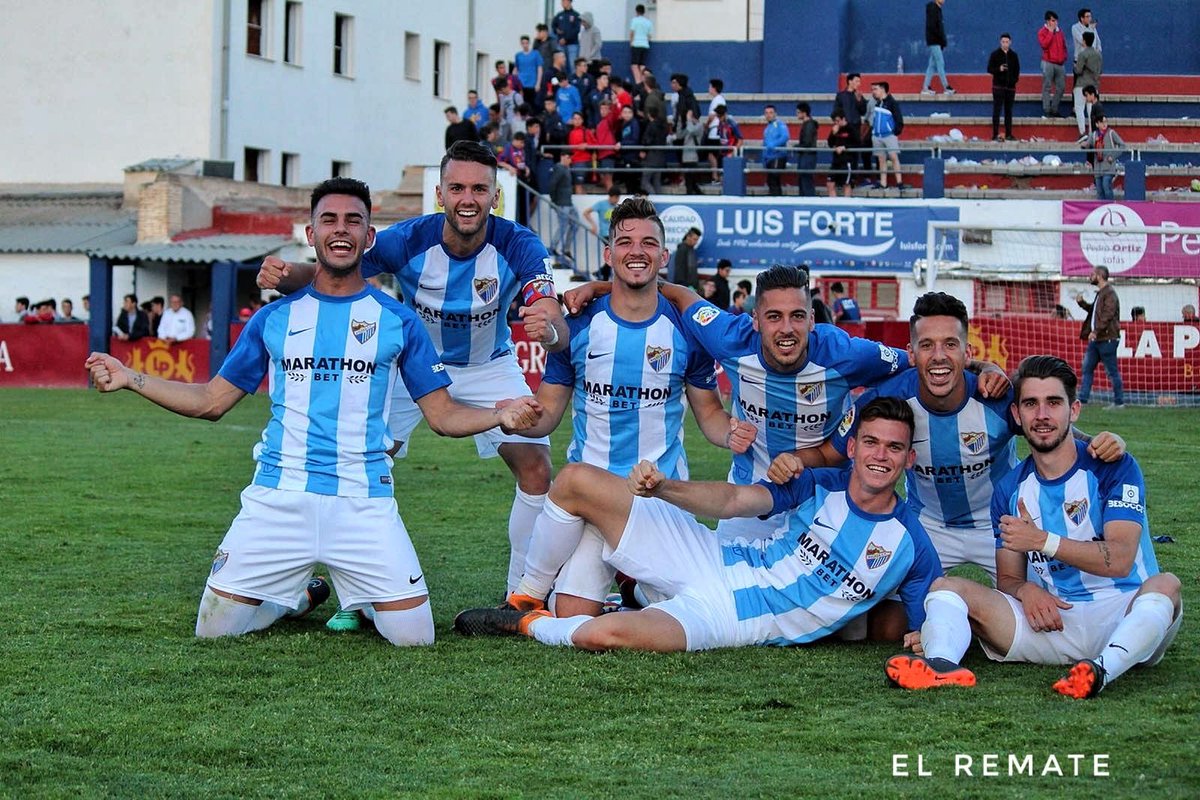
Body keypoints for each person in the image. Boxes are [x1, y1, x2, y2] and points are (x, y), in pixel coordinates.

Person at [85, 177, 543, 647]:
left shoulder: (399, 320)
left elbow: (444, 416)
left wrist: (499, 414)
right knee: (214, 630)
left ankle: (311, 593)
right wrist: (130, 377)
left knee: (415, 638)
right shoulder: (274, 318)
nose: (340, 230)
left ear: (369, 238)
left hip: (363, 503)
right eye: (328, 220)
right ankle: (296, 598)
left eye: (353, 221)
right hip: (278, 500)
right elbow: (210, 401)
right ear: (311, 234)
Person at [255, 142, 570, 606]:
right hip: (411, 366)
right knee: (359, 464)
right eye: (458, 187)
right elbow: (334, 271)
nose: (468, 198)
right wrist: (286, 275)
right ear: (440, 194)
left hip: (489, 365)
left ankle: (521, 596)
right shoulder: (406, 240)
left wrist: (550, 329)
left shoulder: (519, 243)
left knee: (537, 468)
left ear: (494, 196)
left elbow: (548, 309)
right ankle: (355, 595)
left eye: (479, 189)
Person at [453, 397, 942, 654]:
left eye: (894, 448)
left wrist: (929, 638)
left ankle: (526, 624)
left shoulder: (911, 546)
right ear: (853, 447)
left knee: (606, 637)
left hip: (741, 618)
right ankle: (527, 594)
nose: (881, 456)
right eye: (872, 443)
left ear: (909, 459)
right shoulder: (819, 484)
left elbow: (928, 620)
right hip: (715, 557)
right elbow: (732, 499)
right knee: (578, 479)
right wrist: (663, 488)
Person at [496, 197, 754, 617]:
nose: (637, 251)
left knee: (695, 606)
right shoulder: (577, 324)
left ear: (664, 255)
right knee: (571, 613)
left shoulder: (686, 330)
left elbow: (708, 413)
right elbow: (549, 411)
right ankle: (543, 592)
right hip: (591, 503)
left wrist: (730, 432)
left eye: (649, 243)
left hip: (660, 499)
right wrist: (514, 417)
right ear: (608, 253)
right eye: (625, 242)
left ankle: (626, 589)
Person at [886, 355, 1181, 698]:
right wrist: (1027, 591)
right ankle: (941, 665)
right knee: (946, 588)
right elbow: (1009, 578)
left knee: (1166, 585)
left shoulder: (1113, 467)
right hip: (1052, 622)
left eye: (1053, 403)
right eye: (1030, 404)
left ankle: (1102, 671)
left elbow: (1120, 559)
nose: (1042, 415)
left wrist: (1042, 541)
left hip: (1125, 616)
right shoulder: (1010, 489)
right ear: (1016, 415)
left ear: (1074, 411)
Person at [809, 292, 1125, 587]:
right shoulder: (887, 400)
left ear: (967, 352)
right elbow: (828, 456)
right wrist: (784, 468)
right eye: (927, 345)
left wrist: (1100, 441)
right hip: (927, 524)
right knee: (887, 621)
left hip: (1003, 525)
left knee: (1050, 603)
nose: (938, 356)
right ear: (912, 353)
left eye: (950, 344)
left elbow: (1052, 432)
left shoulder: (995, 396)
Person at [1073, 265, 1123, 408]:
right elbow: (1095, 312)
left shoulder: (1110, 294)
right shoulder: (1101, 293)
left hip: (1106, 339)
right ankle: (1082, 399)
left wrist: (1095, 331)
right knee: (1087, 368)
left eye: (1092, 274)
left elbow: (1107, 315)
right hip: (1097, 340)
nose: (1090, 276)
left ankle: (1119, 402)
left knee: (1111, 371)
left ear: (1099, 276)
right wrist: (1081, 303)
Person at [867, 81, 905, 191]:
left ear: (882, 89)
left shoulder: (892, 103)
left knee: (894, 157)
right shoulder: (877, 103)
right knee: (881, 160)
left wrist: (895, 132)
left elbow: (899, 119)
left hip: (889, 135)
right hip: (877, 135)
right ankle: (883, 183)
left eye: (875, 89)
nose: (873, 92)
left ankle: (899, 182)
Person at [987, 33, 1020, 141]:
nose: (1005, 44)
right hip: (998, 87)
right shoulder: (995, 54)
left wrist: (1014, 81)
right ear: (1000, 42)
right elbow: (989, 69)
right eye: (1003, 42)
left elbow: (1017, 70)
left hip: (1010, 88)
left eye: (1007, 42)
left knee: (1008, 111)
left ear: (1010, 42)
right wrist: (999, 69)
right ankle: (995, 134)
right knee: (997, 110)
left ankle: (1009, 133)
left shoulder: (1014, 55)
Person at [1084, 114, 1123, 200]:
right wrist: (1084, 145)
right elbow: (1087, 145)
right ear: (1097, 124)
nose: (1104, 124)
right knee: (1099, 191)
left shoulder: (1111, 133)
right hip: (1097, 167)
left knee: (1106, 186)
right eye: (1102, 122)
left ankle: (1110, 205)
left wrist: (1113, 157)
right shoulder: (1093, 135)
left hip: (1109, 166)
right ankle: (1101, 208)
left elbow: (1122, 145)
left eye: (1105, 122)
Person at [1038, 11, 1068, 118]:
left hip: (1060, 63)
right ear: (1048, 21)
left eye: (1056, 20)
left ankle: (1054, 109)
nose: (1055, 23)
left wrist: (1064, 57)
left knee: (1061, 87)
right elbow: (1044, 45)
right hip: (1048, 62)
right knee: (1047, 86)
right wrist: (1050, 32)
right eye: (1053, 20)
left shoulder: (1060, 32)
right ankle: (1047, 110)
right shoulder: (1042, 32)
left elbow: (1064, 46)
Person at [921, 0, 955, 95]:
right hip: (935, 41)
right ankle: (946, 87)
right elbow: (935, 27)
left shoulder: (937, 9)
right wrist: (942, 40)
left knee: (932, 65)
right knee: (940, 63)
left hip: (935, 41)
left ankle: (925, 87)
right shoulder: (933, 9)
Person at [1073, 31, 1102, 136]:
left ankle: (1082, 132)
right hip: (1094, 85)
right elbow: (1100, 71)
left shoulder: (1082, 54)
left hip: (1081, 84)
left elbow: (1078, 70)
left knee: (1079, 108)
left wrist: (1075, 67)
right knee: (1091, 110)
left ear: (1084, 41)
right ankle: (1092, 133)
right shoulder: (1098, 55)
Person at [761, 104, 790, 197]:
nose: (768, 115)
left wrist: (774, 145)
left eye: (771, 112)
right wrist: (764, 158)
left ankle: (777, 200)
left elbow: (785, 136)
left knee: (774, 179)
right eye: (766, 113)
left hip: (778, 156)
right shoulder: (767, 128)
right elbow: (765, 144)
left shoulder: (780, 124)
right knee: (771, 181)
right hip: (769, 158)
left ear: (775, 114)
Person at [826, 108, 854, 198]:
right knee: (830, 184)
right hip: (836, 161)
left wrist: (845, 147)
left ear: (843, 119)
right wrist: (833, 134)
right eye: (835, 121)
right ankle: (834, 205)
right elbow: (830, 143)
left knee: (846, 184)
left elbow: (857, 143)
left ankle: (847, 206)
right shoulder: (835, 129)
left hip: (847, 161)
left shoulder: (851, 129)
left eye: (838, 121)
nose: (836, 123)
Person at [795, 103, 818, 197]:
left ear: (804, 113)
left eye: (798, 112)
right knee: (804, 180)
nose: (796, 114)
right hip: (806, 155)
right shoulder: (809, 124)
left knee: (806, 181)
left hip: (807, 155)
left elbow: (807, 142)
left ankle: (808, 200)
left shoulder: (809, 125)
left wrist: (797, 146)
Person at [514, 37, 543, 109]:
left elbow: (539, 68)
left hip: (532, 83)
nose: (525, 45)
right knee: (522, 105)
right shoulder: (518, 55)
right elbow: (516, 69)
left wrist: (538, 83)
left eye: (526, 43)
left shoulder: (535, 54)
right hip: (521, 83)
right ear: (521, 44)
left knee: (532, 104)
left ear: (529, 43)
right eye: (523, 43)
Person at [553, 0, 582, 69]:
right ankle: (561, 79)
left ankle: (573, 80)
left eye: (564, 1)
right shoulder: (559, 15)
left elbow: (576, 30)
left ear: (569, 2)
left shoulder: (576, 15)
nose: (562, 3)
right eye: (562, 1)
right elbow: (553, 26)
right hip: (560, 44)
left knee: (573, 65)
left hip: (572, 44)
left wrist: (565, 39)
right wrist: (556, 31)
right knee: (561, 64)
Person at [628, 4, 653, 85]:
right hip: (645, 45)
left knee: (634, 66)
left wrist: (631, 42)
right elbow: (649, 36)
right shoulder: (648, 22)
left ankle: (638, 83)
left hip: (636, 44)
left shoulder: (634, 20)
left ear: (636, 11)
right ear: (644, 12)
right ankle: (645, 82)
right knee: (642, 65)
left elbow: (632, 33)